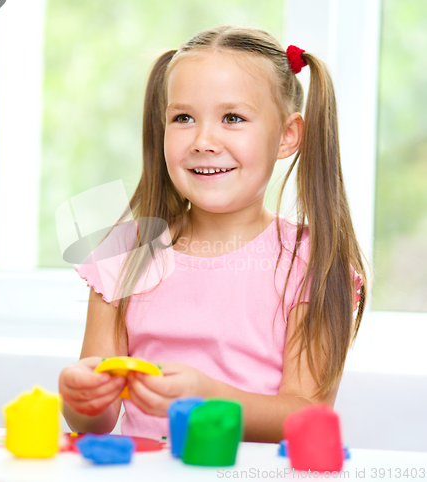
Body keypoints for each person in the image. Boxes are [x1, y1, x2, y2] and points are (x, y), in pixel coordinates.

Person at [58, 25, 367, 443]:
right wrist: (80, 395)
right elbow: (94, 422)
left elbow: (306, 415)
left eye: (233, 118)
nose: (204, 140)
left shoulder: (312, 262)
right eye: (183, 118)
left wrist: (207, 396)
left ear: (287, 135)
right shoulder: (124, 252)